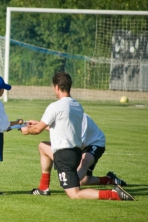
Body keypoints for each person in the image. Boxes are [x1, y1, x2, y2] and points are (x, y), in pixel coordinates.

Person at [21, 71, 134, 201]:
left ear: (57, 87)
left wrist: (27, 131)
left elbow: (37, 130)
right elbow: (63, 127)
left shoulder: (55, 106)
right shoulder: (77, 106)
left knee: (75, 193)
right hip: (75, 153)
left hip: (64, 155)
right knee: (42, 146)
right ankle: (43, 188)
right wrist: (38, 123)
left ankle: (113, 193)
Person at [27, 113, 127, 196]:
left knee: (81, 168)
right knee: (84, 180)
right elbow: (58, 129)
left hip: (94, 143)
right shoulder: (65, 116)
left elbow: (77, 141)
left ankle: (71, 187)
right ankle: (109, 179)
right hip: (78, 146)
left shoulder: (81, 119)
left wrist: (66, 164)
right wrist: (39, 124)